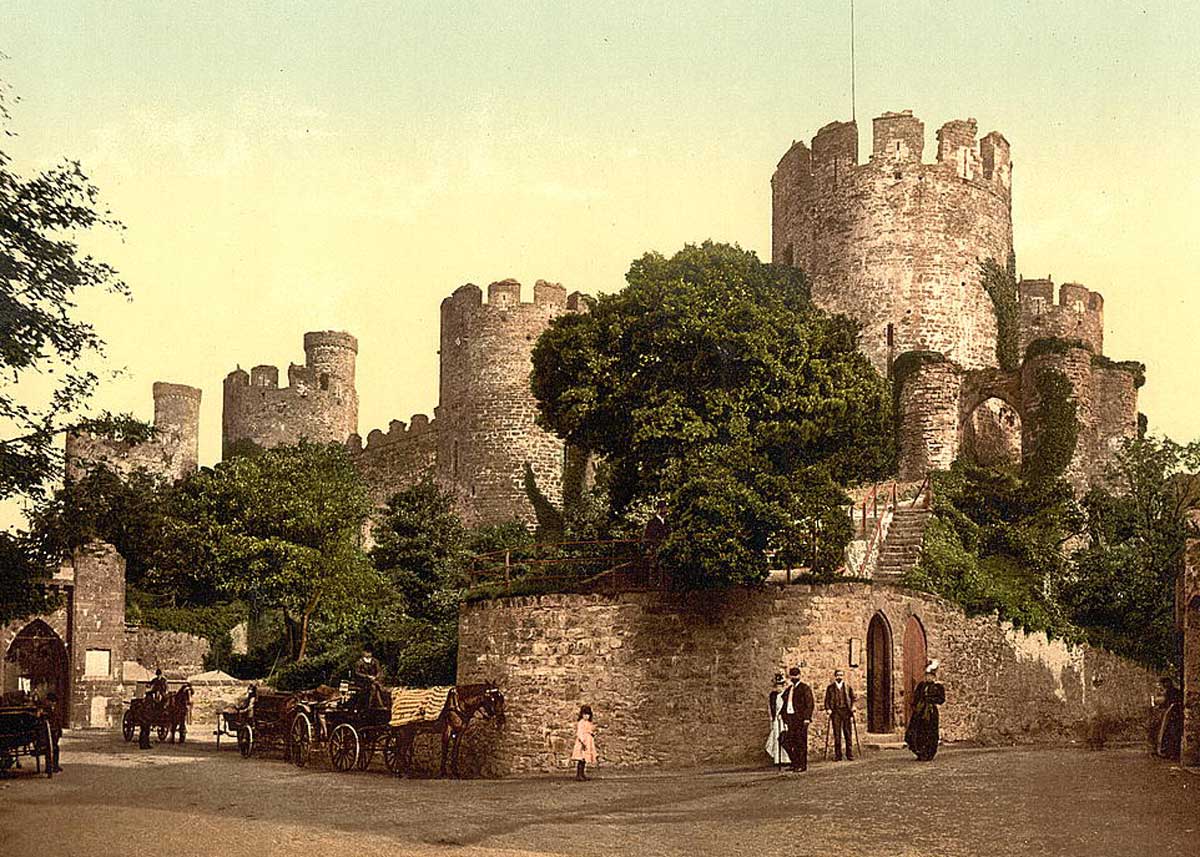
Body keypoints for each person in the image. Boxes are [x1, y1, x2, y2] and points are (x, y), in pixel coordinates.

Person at [905, 659, 946, 761]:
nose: (929, 678)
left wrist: (931, 700)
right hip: (920, 712)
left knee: (930, 733)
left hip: (931, 713)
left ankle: (929, 753)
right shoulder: (921, 686)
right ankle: (919, 751)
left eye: (931, 676)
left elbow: (941, 700)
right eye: (927, 676)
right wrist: (917, 706)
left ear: (934, 677)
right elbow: (916, 697)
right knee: (918, 731)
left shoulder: (938, 687)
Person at [779, 666, 814, 772]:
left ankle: (802, 765)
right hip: (790, 719)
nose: (794, 677)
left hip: (801, 720)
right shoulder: (789, 689)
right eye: (792, 676)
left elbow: (809, 704)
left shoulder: (804, 688)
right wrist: (782, 715)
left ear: (799, 676)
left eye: (796, 675)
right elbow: (784, 702)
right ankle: (794, 763)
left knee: (800, 742)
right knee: (786, 740)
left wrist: (807, 718)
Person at [823, 668, 857, 761]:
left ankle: (849, 754)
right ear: (835, 676)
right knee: (837, 734)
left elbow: (853, 698)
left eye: (841, 675)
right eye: (838, 675)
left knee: (848, 733)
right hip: (836, 712)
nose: (839, 677)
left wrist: (853, 707)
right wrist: (828, 709)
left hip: (846, 712)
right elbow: (827, 700)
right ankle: (838, 755)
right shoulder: (830, 688)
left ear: (843, 676)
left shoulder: (847, 687)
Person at [641, 501, 670, 588]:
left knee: (664, 567)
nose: (665, 510)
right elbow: (647, 536)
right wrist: (650, 546)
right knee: (654, 567)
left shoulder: (667, 523)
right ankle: (653, 586)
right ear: (658, 509)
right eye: (663, 508)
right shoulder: (652, 523)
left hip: (665, 548)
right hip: (655, 548)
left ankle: (663, 585)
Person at [764, 673, 791, 767]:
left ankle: (787, 759)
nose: (778, 688)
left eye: (780, 685)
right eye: (777, 686)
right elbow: (771, 708)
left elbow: (788, 707)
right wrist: (772, 718)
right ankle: (778, 759)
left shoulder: (787, 695)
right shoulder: (773, 696)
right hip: (776, 720)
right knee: (776, 738)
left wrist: (784, 716)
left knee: (785, 738)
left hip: (784, 720)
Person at [1155, 677, 1183, 760]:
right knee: (1170, 734)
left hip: (1174, 716)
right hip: (1172, 716)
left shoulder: (1172, 692)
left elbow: (1169, 703)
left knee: (1172, 734)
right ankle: (1170, 752)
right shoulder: (1170, 692)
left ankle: (1172, 753)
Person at [571, 705, 597, 781]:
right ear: (581, 715)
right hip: (582, 743)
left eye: (588, 714)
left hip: (588, 742)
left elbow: (590, 730)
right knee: (581, 759)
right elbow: (579, 733)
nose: (586, 716)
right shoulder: (581, 723)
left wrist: (592, 733)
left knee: (584, 759)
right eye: (584, 714)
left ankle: (582, 774)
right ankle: (578, 775)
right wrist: (583, 741)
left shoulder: (588, 723)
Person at [42, 691, 63, 773]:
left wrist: (59, 732)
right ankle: (49, 767)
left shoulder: (55, 710)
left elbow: (58, 722)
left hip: (54, 732)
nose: (52, 704)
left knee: (55, 749)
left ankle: (55, 765)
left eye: (53, 702)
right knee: (49, 750)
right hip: (47, 733)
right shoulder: (45, 710)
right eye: (51, 702)